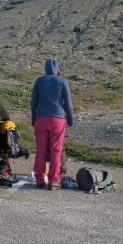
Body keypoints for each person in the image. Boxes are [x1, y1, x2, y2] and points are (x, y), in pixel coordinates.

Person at [30, 59, 74, 190]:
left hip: (41, 119)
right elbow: (68, 103)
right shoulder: (63, 81)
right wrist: (70, 121)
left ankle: (39, 180)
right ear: (57, 69)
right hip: (57, 119)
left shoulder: (39, 81)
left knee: (40, 150)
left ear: (45, 68)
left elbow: (33, 102)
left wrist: (34, 119)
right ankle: (54, 181)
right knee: (56, 150)